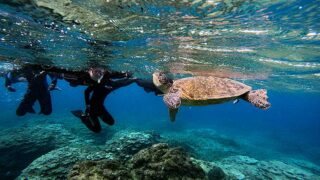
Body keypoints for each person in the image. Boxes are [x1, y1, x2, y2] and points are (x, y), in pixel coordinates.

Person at [72, 67, 135, 133]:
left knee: (111, 122)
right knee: (97, 130)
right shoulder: (97, 83)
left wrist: (134, 80)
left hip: (100, 107)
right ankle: (83, 117)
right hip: (92, 109)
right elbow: (86, 91)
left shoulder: (112, 84)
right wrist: (87, 105)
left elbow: (123, 82)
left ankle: (98, 116)